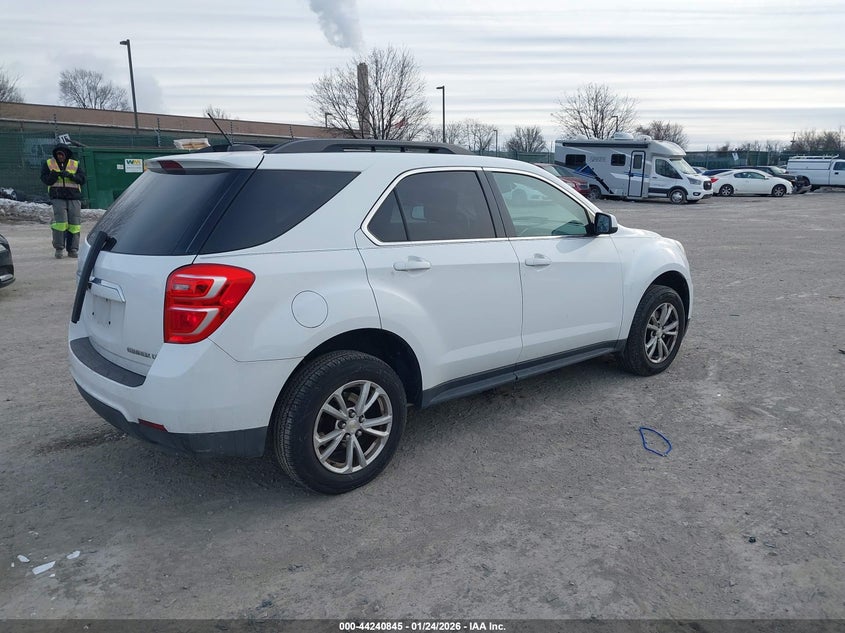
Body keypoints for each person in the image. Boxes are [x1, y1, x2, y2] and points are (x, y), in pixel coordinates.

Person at [40, 143, 86, 259]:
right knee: (60, 223)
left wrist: (72, 176)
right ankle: (59, 248)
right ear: (55, 154)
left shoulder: (74, 164)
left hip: (74, 197)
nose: (60, 156)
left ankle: (73, 249)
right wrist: (53, 176)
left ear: (66, 154)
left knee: (74, 224)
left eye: (62, 154)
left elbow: (82, 179)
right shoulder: (49, 164)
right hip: (58, 197)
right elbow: (46, 180)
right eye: (58, 154)